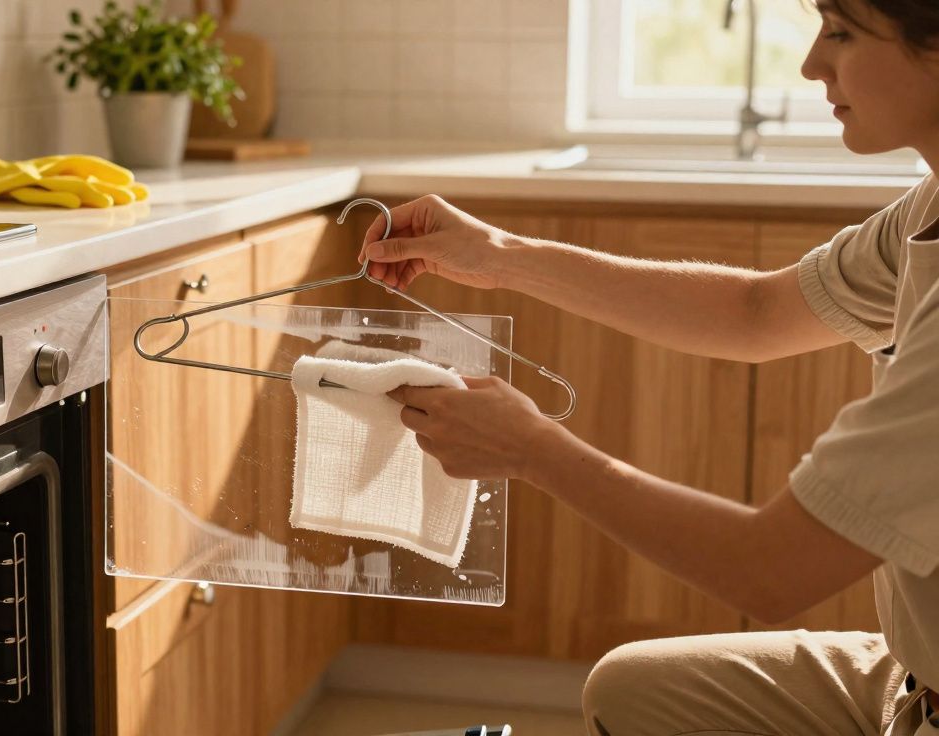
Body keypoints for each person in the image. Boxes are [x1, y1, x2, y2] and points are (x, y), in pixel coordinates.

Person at [362, 1, 939, 734]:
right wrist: (500, 255)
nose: (811, 64)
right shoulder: (928, 209)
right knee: (634, 689)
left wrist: (532, 448)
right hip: (910, 675)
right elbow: (754, 313)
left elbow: (771, 570)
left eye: (842, 32)